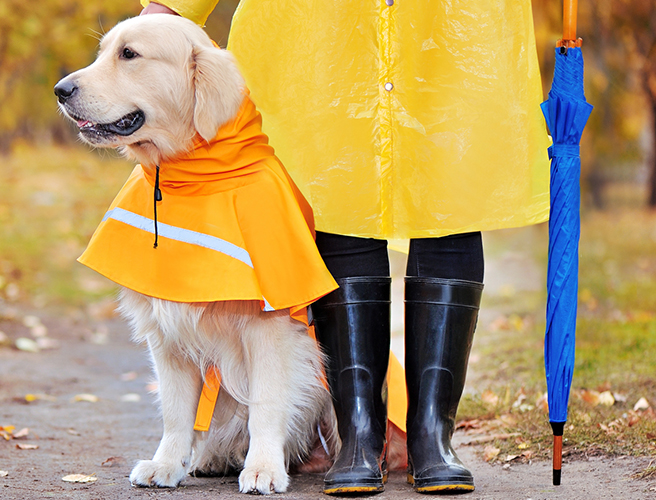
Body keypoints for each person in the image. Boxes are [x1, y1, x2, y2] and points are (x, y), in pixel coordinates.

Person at [141, 1, 550, 495]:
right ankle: (357, 432)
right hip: (319, 23)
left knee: (452, 190)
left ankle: (432, 436)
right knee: (334, 189)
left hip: (449, 20)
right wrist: (171, 8)